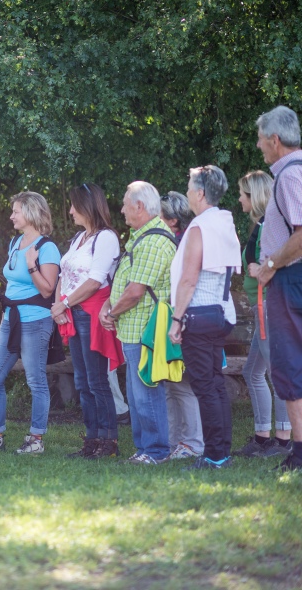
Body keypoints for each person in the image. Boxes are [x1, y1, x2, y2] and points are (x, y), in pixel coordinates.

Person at [0, 192, 60, 454]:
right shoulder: (15, 242)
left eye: (16, 211)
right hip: (11, 320)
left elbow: (47, 290)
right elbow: (12, 283)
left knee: (35, 381)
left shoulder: (46, 248)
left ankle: (36, 440)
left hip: (36, 322)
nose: (11, 216)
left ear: (30, 213)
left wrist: (32, 267)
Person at [168, 165, 242, 470]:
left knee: (204, 385)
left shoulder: (199, 228)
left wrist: (177, 319)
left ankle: (214, 455)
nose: (186, 192)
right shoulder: (224, 221)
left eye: (188, 187)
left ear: (200, 193)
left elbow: (188, 278)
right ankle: (221, 450)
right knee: (213, 383)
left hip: (199, 314)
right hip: (221, 311)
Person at [100, 181, 176, 464]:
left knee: (146, 394)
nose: (121, 209)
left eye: (124, 204)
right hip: (134, 328)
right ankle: (144, 449)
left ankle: (156, 451)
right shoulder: (140, 238)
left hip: (145, 329)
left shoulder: (154, 241)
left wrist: (111, 312)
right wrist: (110, 305)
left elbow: (135, 291)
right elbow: (125, 282)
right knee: (136, 394)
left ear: (139, 207)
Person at [50, 183, 123, 459]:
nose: (70, 211)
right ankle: (91, 439)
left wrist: (65, 303)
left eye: (73, 205)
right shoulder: (78, 238)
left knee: (96, 381)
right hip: (72, 313)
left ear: (87, 206)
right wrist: (58, 305)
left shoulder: (106, 238)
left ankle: (108, 441)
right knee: (82, 381)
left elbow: (95, 281)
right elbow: (62, 276)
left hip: (91, 314)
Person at [255, 106, 302, 472]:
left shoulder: (289, 175)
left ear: (275, 139)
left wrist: (270, 265)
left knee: (289, 364)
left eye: (260, 139)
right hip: (291, 278)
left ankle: (300, 453)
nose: (259, 147)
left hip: (290, 279)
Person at [234, 171, 292, 458]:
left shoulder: (271, 225)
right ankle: (262, 437)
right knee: (253, 371)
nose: (239, 199)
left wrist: (261, 270)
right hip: (262, 305)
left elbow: (279, 262)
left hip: (268, 304)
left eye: (243, 194)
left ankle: (283, 440)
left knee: (275, 371)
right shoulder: (261, 226)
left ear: (254, 197)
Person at [159, 192, 204, 460]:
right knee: (168, 381)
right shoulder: (174, 239)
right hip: (168, 316)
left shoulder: (183, 242)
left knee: (182, 383)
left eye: (160, 216)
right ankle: (173, 440)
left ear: (173, 220)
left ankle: (193, 442)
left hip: (183, 317)